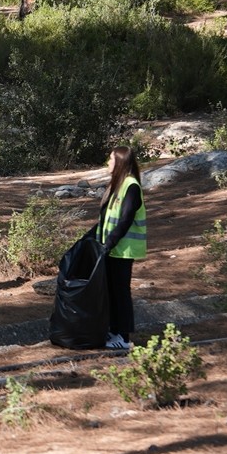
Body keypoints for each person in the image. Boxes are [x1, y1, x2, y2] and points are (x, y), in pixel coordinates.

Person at [99, 146, 147, 350]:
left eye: (110, 159)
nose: (108, 163)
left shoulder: (131, 186)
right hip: (112, 249)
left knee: (121, 293)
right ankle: (114, 329)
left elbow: (126, 219)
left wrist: (109, 244)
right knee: (111, 291)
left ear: (119, 162)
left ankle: (124, 337)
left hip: (123, 250)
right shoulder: (117, 185)